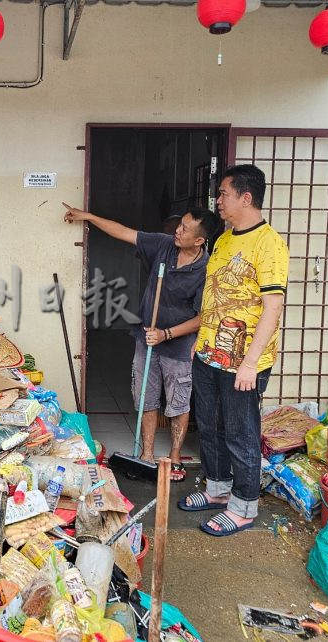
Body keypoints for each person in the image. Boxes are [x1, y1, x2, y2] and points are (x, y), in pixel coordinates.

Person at [62, 202, 220, 480]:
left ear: (199, 239)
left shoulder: (207, 270)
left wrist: (166, 334)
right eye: (179, 224)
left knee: (178, 403)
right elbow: (123, 232)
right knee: (146, 398)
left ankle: (175, 459)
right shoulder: (164, 246)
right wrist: (88, 215)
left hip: (178, 346)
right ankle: (146, 456)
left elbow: (203, 318)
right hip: (147, 338)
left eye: (185, 228)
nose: (177, 230)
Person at [178, 164, 289, 537]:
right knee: (209, 427)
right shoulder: (224, 240)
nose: (217, 201)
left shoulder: (269, 244)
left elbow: (272, 308)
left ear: (246, 197)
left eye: (223, 193)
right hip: (210, 353)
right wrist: (199, 339)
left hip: (244, 363)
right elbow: (215, 296)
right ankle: (217, 490)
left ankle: (243, 507)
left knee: (240, 434)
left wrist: (251, 364)